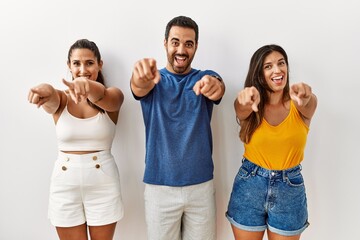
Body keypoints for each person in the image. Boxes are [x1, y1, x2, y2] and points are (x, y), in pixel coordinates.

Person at [130, 16, 225, 240]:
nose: (181, 50)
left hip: (200, 187)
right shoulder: (154, 80)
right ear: (165, 43)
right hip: (159, 188)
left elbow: (217, 87)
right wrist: (140, 75)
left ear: (196, 47)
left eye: (188, 44)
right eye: (175, 42)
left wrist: (213, 85)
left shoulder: (203, 77)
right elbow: (138, 86)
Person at [28, 39, 124, 240]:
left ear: (100, 64)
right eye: (76, 64)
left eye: (89, 63)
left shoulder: (112, 95)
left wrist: (86, 85)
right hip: (65, 184)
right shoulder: (61, 99)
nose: (82, 69)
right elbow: (52, 96)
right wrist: (44, 90)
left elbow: (104, 96)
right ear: (69, 66)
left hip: (103, 182)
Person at [226, 44, 317, 240]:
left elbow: (309, 102)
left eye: (281, 63)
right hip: (250, 185)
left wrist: (306, 95)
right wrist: (244, 100)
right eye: (268, 66)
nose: (277, 70)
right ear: (259, 73)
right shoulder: (250, 106)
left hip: (289, 190)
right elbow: (240, 108)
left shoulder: (300, 105)